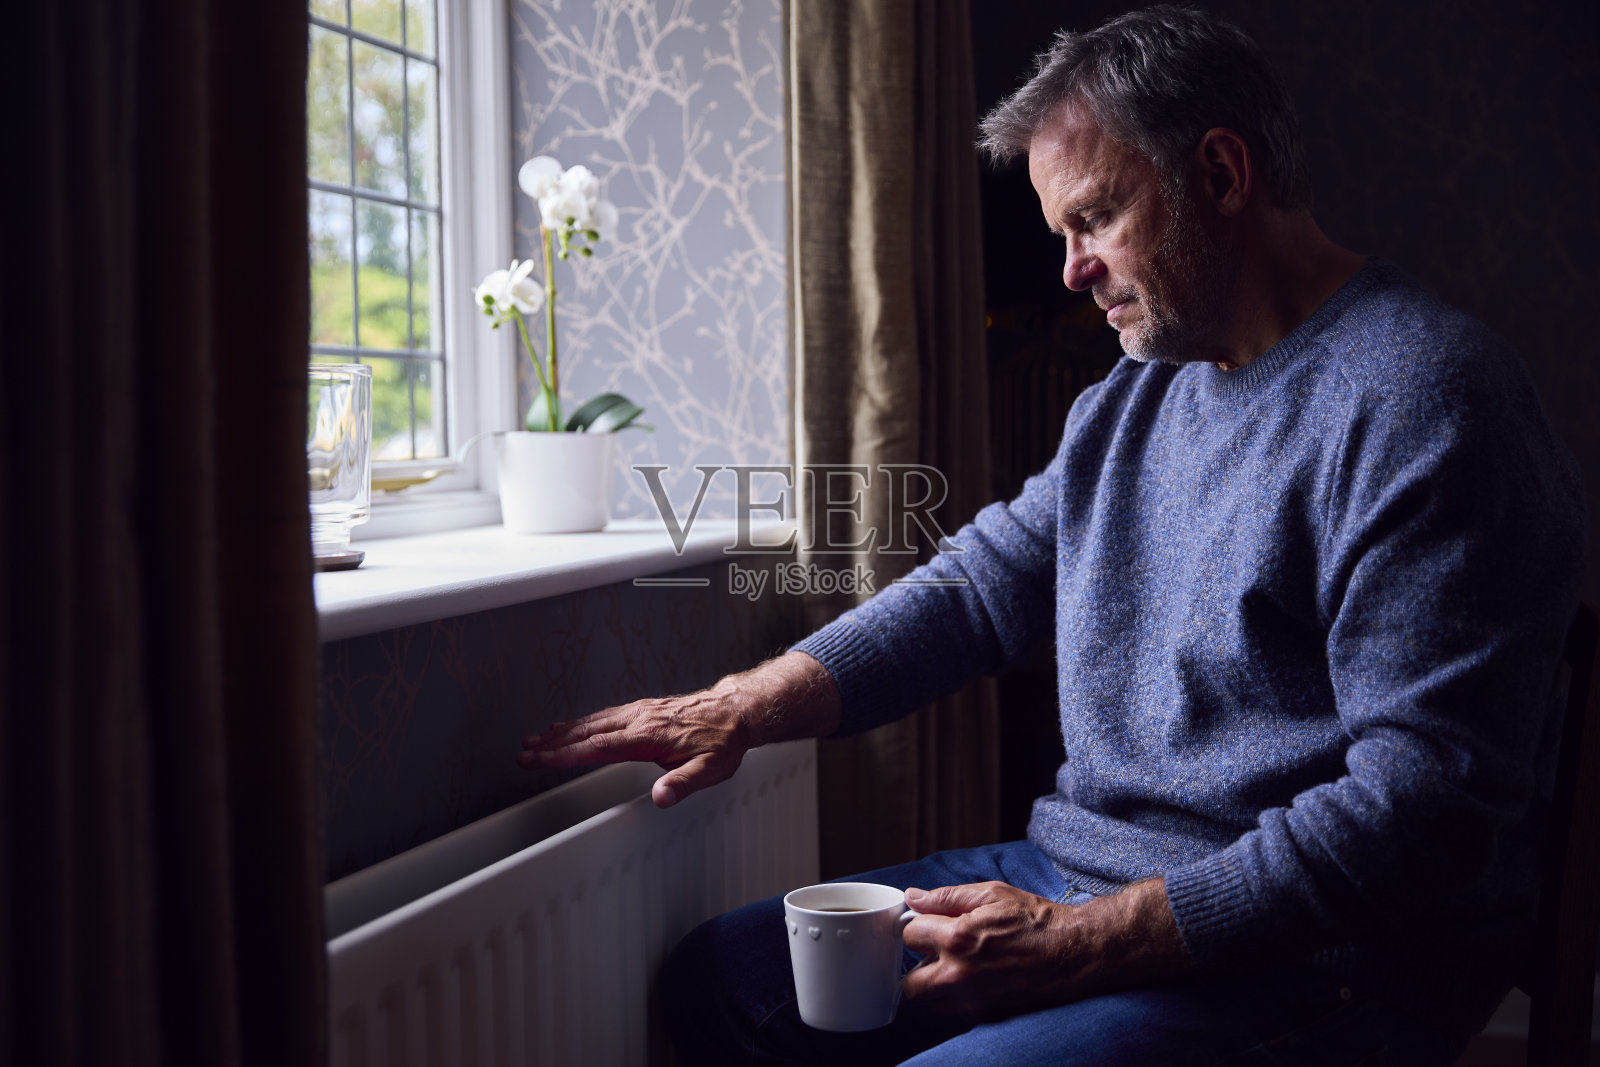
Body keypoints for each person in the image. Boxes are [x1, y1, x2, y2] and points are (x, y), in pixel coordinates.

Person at [518, 6, 1585, 1064]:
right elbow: (978, 588)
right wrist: (742, 704)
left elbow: (1423, 805)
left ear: (1219, 174)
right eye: (1059, 233)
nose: (1070, 270)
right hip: (1077, 872)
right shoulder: (1134, 394)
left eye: (1096, 219)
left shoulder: (1428, 399)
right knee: (729, 983)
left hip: (1327, 956)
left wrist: (1083, 945)